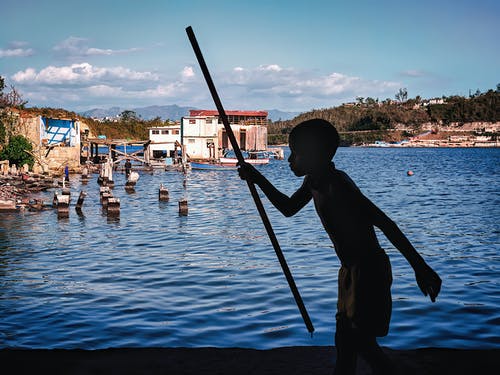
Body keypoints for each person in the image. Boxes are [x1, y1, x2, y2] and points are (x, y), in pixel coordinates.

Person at [238, 119, 441, 375]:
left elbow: (386, 223)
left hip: (368, 272)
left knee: (359, 343)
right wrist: (256, 178)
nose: (289, 160)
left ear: (314, 155)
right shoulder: (314, 181)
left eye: (295, 153)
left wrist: (420, 268)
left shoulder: (337, 185)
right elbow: (288, 209)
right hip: (350, 273)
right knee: (347, 342)